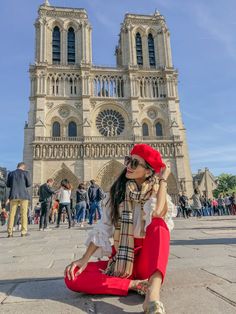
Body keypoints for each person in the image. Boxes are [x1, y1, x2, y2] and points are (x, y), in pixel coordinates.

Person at [64, 144, 176, 314]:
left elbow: (159, 212)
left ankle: (153, 293)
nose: (128, 166)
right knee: (72, 276)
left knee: (158, 223)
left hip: (147, 260)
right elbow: (103, 227)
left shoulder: (156, 192)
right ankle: (136, 285)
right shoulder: (116, 193)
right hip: (122, 263)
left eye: (135, 163)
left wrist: (163, 181)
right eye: (128, 161)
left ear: (147, 171)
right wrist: (84, 259)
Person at [6, 162, 31, 237]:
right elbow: (29, 184)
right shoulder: (26, 173)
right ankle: (23, 232)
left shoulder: (11, 173)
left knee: (12, 214)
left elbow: (8, 185)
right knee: (24, 214)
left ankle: (10, 233)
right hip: (23, 195)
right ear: (23, 167)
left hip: (13, 195)